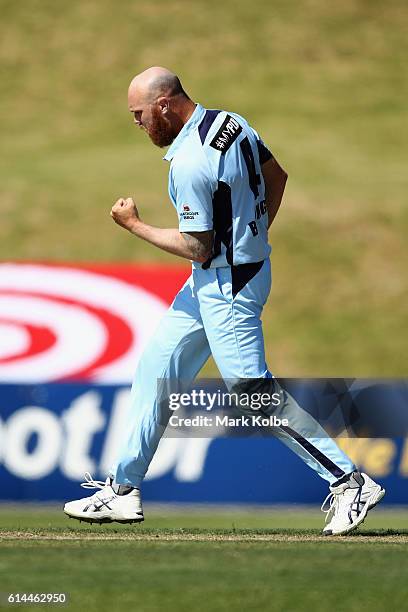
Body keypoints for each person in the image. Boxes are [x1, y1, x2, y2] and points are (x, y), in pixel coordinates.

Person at [64, 67, 385, 535]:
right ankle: (123, 490)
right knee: (157, 368)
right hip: (221, 278)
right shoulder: (232, 122)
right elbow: (278, 177)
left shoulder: (190, 161)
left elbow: (199, 246)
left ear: (165, 105)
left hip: (226, 286)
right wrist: (252, 239)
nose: (136, 123)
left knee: (253, 396)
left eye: (139, 114)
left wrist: (134, 225)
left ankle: (349, 480)